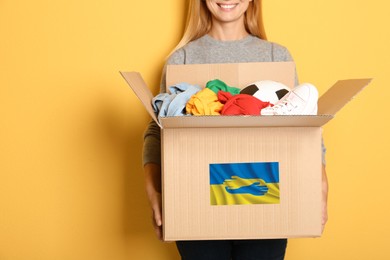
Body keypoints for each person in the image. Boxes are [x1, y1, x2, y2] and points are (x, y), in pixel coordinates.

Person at [142, 0, 329, 259]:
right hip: (197, 206)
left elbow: (305, 126)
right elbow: (157, 129)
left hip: (266, 199)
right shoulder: (182, 59)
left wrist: (320, 187)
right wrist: (154, 194)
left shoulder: (277, 56)